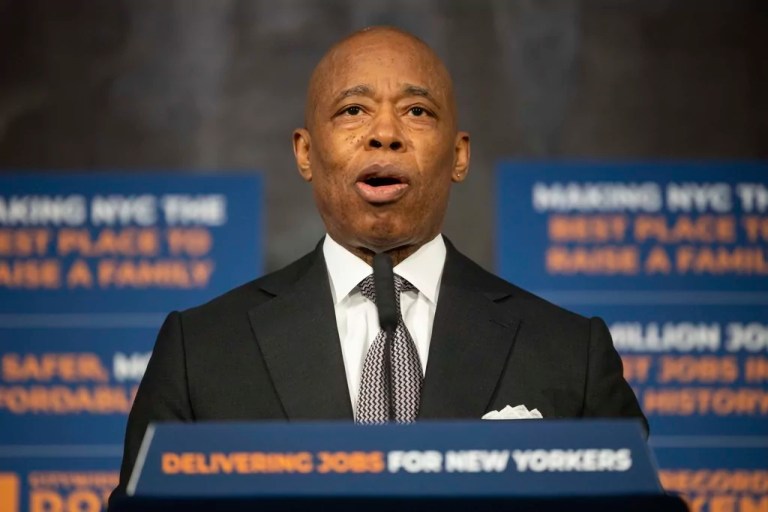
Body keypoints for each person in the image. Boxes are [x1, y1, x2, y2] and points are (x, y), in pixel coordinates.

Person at [110, 25, 646, 501]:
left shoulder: (570, 354)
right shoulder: (200, 351)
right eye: (353, 110)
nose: (385, 133)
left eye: (416, 111)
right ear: (305, 152)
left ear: (459, 155)